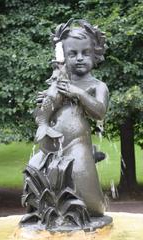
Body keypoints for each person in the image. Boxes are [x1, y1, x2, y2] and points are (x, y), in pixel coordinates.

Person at [29, 20, 109, 216]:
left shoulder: (97, 86)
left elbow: (99, 112)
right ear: (63, 57)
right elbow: (40, 115)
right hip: (51, 146)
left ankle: (92, 208)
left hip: (77, 145)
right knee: (34, 176)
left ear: (95, 54)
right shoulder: (57, 83)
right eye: (72, 54)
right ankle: (51, 217)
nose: (79, 58)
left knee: (91, 203)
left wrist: (78, 94)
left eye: (85, 53)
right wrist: (43, 105)